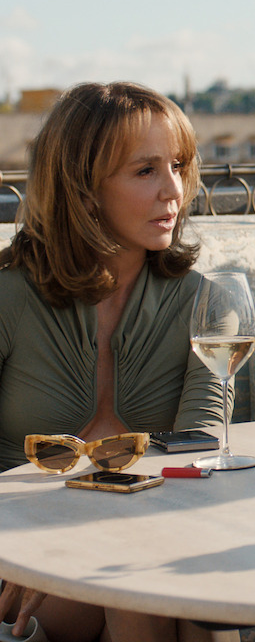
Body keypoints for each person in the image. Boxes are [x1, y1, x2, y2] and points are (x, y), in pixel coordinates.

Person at [0, 82, 226, 641]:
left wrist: (117, 541)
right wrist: (22, 551)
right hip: (22, 547)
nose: (173, 190)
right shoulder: (8, 295)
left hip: (148, 543)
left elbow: (203, 449)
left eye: (178, 165)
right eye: (145, 170)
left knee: (143, 585)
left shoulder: (206, 302)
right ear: (81, 186)